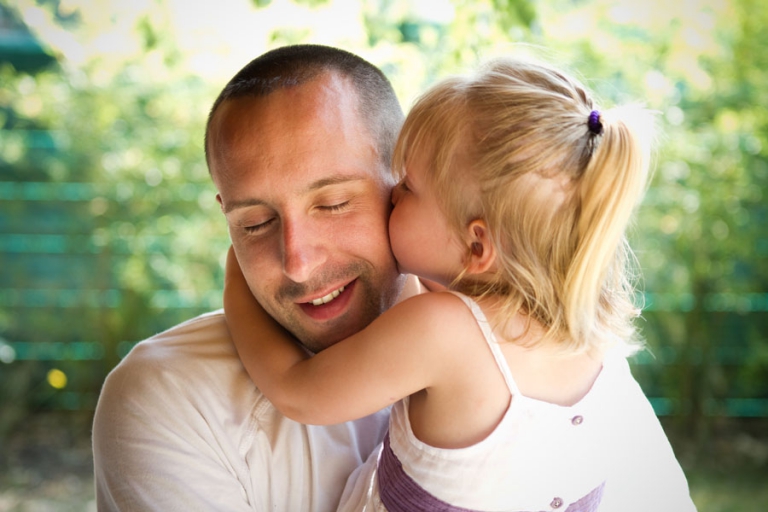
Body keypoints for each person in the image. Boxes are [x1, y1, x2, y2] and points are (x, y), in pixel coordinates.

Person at [223, 57, 697, 511]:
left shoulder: (442, 329)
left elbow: (296, 391)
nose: (391, 195)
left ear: (476, 246)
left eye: (407, 187)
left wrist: (237, 277)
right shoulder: (591, 328)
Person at [92, 44, 428, 511]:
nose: (298, 263)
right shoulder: (173, 397)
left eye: (332, 204)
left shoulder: (517, 336)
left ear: (405, 181)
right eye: (255, 224)